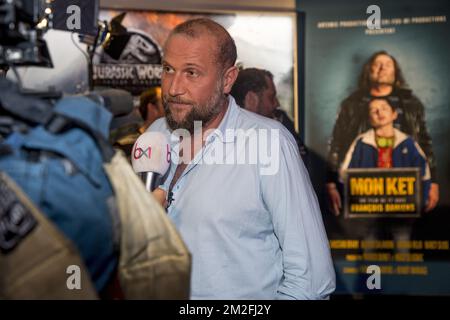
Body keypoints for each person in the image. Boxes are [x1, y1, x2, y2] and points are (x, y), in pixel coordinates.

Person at [148, 18, 335, 299]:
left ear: (228, 79)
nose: (174, 87)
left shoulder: (269, 143)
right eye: (168, 69)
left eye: (192, 73)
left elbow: (311, 281)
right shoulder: (155, 134)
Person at [327, 51, 438, 215]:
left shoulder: (411, 104)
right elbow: (336, 143)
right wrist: (331, 183)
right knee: (365, 236)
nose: (382, 68)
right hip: (363, 190)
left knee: (402, 235)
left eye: (387, 64)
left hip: (404, 190)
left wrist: (432, 183)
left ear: (395, 72)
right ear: (368, 70)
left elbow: (424, 143)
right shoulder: (351, 104)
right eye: (377, 64)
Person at [340, 97, 431, 206]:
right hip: (370, 206)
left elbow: (424, 174)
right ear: (369, 119)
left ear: (394, 114)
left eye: (384, 108)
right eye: (374, 110)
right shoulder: (361, 143)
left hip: (401, 205)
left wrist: (421, 202)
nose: (379, 112)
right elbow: (344, 175)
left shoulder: (408, 142)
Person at [230, 67, 308, 162]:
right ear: (251, 100)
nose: (277, 104)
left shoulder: (281, 120)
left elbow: (302, 160)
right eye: (271, 97)